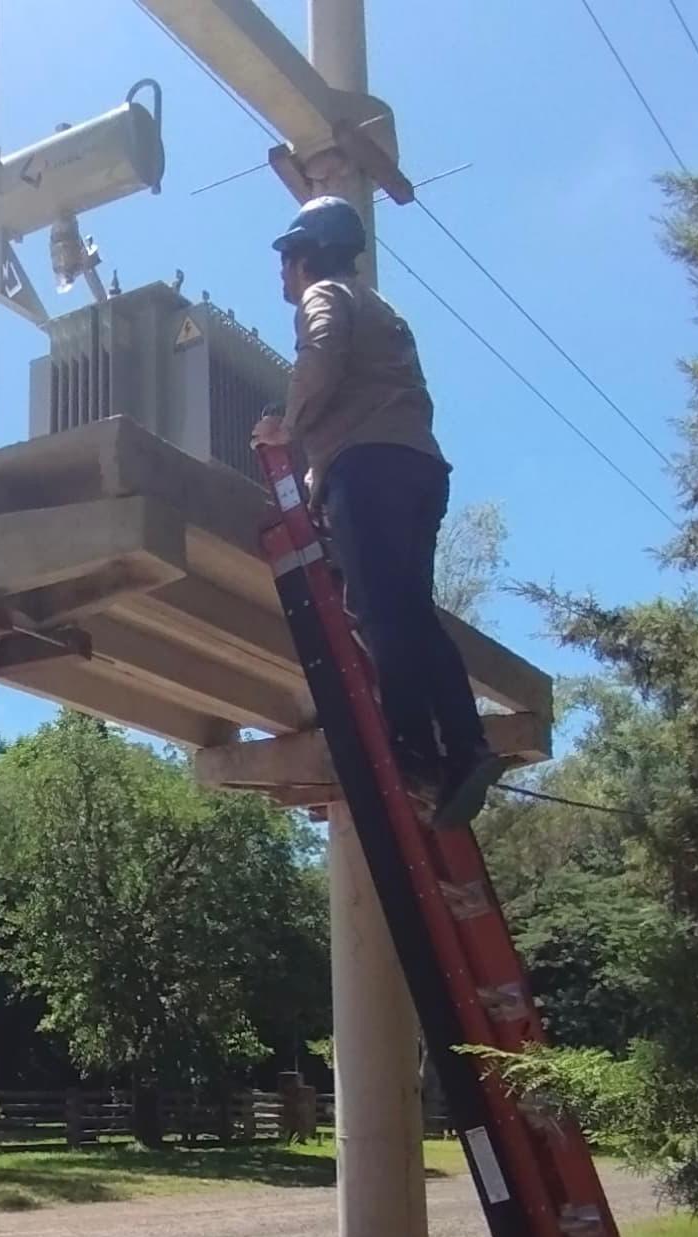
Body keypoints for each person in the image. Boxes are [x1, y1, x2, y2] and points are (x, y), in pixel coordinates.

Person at [252, 195, 505, 828]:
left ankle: (415, 753)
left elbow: (321, 359)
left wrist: (287, 428)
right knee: (412, 612)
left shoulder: (327, 297)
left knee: (379, 612)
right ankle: (466, 744)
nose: (283, 275)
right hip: (419, 469)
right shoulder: (384, 309)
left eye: (286, 260)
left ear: (305, 255)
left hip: (368, 469)